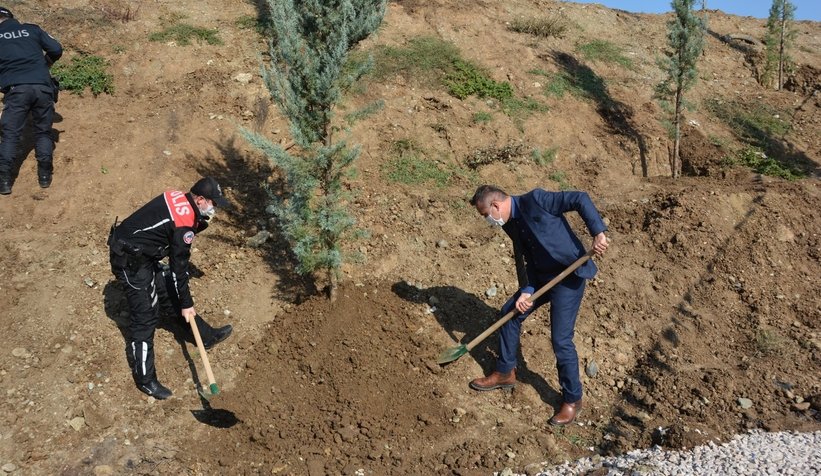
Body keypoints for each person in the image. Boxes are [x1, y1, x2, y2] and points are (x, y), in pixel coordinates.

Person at [468, 184, 609, 426]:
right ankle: (504, 372)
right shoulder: (509, 222)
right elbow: (524, 259)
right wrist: (526, 291)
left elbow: (579, 198)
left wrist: (598, 232)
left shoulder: (538, 200)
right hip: (541, 279)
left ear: (495, 205)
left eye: (485, 215)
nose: (487, 220)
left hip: (568, 277)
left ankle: (573, 401)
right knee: (509, 314)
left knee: (561, 340)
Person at [108, 177, 234, 399]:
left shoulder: (179, 197)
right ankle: (145, 380)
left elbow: (175, 226)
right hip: (129, 259)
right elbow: (179, 270)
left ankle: (204, 336)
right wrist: (187, 304)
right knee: (145, 317)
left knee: (167, 291)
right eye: (213, 203)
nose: (214, 208)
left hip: (141, 251)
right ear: (200, 199)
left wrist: (199, 222)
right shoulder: (184, 224)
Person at [0, 6, 62, 195]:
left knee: (10, 135)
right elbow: (57, 49)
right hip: (42, 87)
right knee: (43, 132)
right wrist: (45, 65)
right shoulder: (31, 29)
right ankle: (44, 176)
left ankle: (4, 181)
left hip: (16, 90)